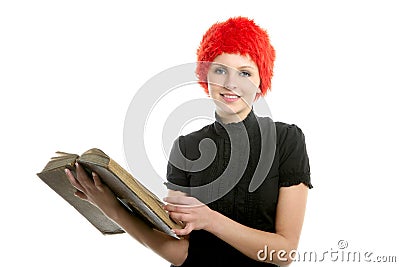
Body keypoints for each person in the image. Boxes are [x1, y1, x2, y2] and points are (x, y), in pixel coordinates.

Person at [65, 16, 312, 267]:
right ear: (206, 76)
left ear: (261, 81)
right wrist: (112, 208)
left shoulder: (286, 140)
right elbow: (180, 252)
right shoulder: (186, 148)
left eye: (245, 73)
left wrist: (211, 220)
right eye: (220, 70)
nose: (230, 83)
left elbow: (285, 252)